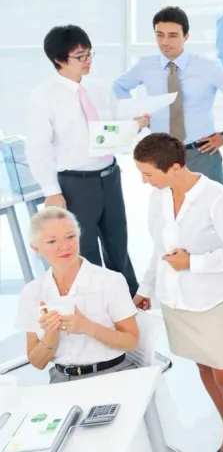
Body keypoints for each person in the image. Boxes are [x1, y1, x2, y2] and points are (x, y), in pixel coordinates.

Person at [131, 132, 223, 452]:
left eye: (148, 174)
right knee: (204, 368)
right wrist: (145, 288)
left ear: (174, 168)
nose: (144, 181)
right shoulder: (158, 198)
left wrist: (192, 262)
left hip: (212, 303)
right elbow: (159, 249)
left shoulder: (217, 199)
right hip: (176, 302)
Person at [27, 25, 140, 293]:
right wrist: (51, 191)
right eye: (80, 56)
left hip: (109, 176)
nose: (87, 60)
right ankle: (94, 301)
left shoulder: (98, 88)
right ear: (59, 59)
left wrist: (135, 124)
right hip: (75, 183)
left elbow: (113, 127)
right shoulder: (44, 97)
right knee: (84, 248)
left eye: (89, 53)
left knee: (118, 242)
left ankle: (128, 297)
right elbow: (38, 148)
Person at [114, 6, 223, 185]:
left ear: (186, 36)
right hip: (161, 156)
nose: (165, 42)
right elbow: (119, 86)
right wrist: (138, 114)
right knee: (168, 202)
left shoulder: (208, 67)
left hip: (201, 154)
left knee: (211, 202)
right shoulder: (145, 66)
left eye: (172, 35)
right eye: (159, 35)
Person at [16, 207, 140, 383]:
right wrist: (50, 335)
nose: (64, 246)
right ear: (35, 248)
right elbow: (37, 362)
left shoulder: (110, 281)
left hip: (114, 373)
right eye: (52, 241)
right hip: (62, 379)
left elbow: (131, 342)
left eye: (70, 236)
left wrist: (88, 327)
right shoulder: (32, 292)